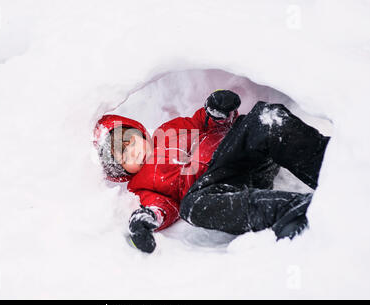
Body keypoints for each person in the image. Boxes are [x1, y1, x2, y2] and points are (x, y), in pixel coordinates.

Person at [93, 90, 330, 253]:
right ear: (122, 171)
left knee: (263, 119)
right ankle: (290, 211)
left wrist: (216, 111)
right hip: (218, 186)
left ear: (137, 131)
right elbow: (162, 206)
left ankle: (331, 163)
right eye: (122, 157)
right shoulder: (142, 185)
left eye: (129, 140)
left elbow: (202, 123)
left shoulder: (169, 129)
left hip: (235, 150)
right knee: (191, 207)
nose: (132, 151)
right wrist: (147, 219)